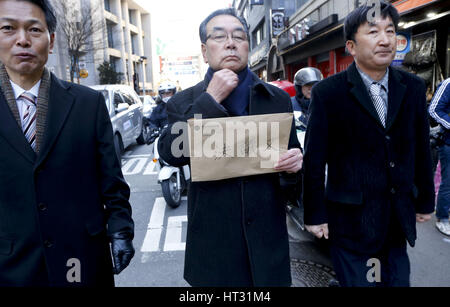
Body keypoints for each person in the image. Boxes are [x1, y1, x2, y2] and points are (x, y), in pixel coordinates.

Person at [157, 8, 303, 287]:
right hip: (214, 252)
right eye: (219, 36)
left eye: (239, 36)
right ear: (204, 50)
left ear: (248, 45)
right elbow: (172, 154)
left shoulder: (277, 100)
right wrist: (210, 100)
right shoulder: (184, 103)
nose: (231, 43)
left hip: (267, 248)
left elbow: (291, 183)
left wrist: (294, 168)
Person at [0, 0, 134, 286]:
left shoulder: (88, 104)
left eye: (34, 29)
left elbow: (111, 180)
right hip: (12, 266)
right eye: (8, 28)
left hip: (82, 259)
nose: (22, 39)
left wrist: (121, 230)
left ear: (50, 42)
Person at [302, 1, 435, 287]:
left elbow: (422, 149)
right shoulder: (328, 93)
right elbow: (314, 159)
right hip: (350, 221)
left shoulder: (411, 88)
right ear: (351, 46)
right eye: (373, 32)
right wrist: (314, 214)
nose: (386, 40)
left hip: (397, 219)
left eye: (391, 31)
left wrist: (425, 199)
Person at [429, 78, 450, 236]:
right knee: (448, 182)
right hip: (448, 143)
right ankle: (442, 218)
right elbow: (434, 109)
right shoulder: (448, 84)